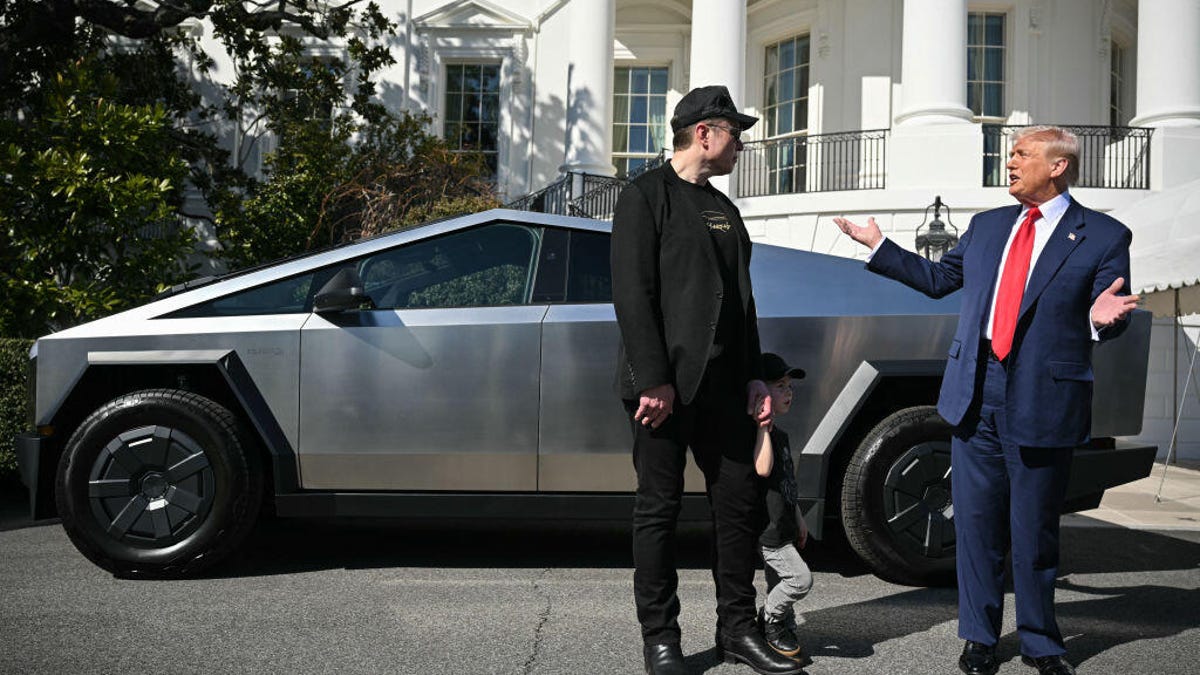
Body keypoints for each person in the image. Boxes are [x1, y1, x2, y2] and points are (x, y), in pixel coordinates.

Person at [833, 125, 1139, 675]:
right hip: (975, 395)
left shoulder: (1104, 235)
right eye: (1012, 153)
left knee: (1034, 531)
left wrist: (1100, 321)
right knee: (974, 528)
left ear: (1058, 166)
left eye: (1022, 154)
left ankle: (1043, 641)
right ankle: (979, 638)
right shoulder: (987, 226)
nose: (1011, 161)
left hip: (1044, 401)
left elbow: (1107, 305)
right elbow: (937, 278)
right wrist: (880, 246)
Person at [611, 85, 803, 675]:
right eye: (734, 132)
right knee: (658, 511)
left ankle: (737, 631)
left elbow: (743, 305)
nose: (740, 143)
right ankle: (661, 641)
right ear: (704, 133)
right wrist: (655, 378)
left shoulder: (726, 209)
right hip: (662, 393)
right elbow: (633, 294)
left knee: (739, 509)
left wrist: (754, 378)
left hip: (725, 390)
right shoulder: (645, 197)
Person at [751, 353, 813, 663]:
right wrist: (763, 428)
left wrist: (799, 518)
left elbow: (787, 483)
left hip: (786, 526)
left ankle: (783, 624)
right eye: (780, 385)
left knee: (779, 581)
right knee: (800, 580)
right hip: (770, 532)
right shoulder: (760, 434)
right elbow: (763, 470)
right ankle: (770, 619)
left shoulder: (784, 436)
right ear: (761, 390)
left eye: (790, 386)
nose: (788, 392)